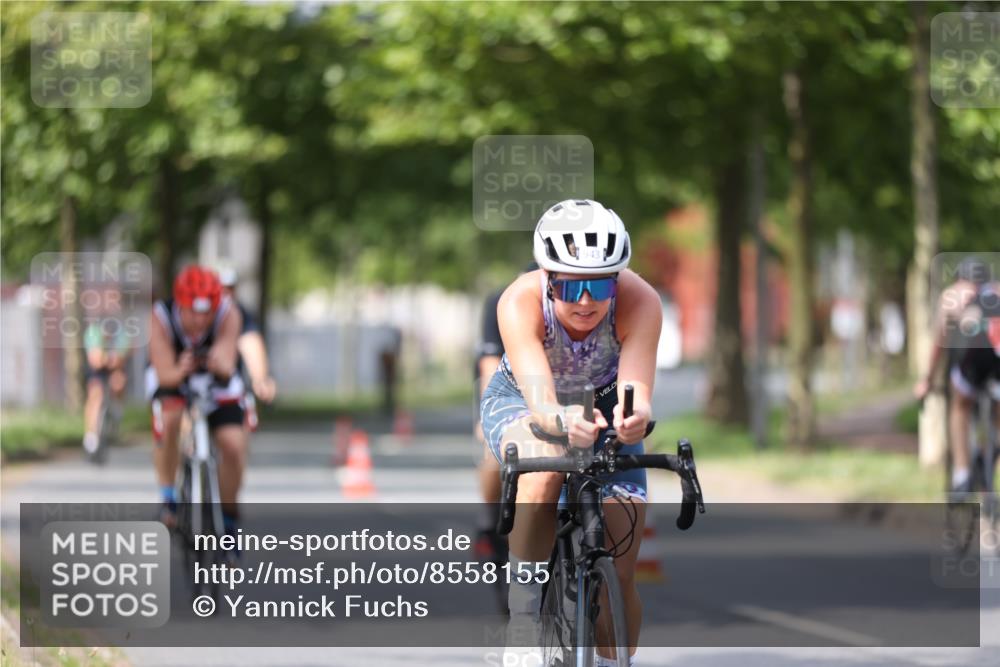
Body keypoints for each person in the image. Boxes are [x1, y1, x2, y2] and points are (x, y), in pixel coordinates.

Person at [480, 199, 662, 666]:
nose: (585, 300)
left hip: (601, 405)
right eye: (571, 285)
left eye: (600, 284)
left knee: (622, 564)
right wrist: (560, 422)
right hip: (523, 398)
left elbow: (635, 388)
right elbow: (541, 401)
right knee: (544, 471)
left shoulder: (641, 300)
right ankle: (523, 619)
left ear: (617, 279)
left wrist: (633, 418)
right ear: (548, 278)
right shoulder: (519, 300)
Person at [147, 266, 247, 533]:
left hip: (215, 383)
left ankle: (228, 518)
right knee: (169, 419)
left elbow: (228, 360)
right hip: (174, 377)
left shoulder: (229, 313)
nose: (201, 321)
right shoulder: (160, 317)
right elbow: (165, 374)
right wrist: (181, 369)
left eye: (207, 313)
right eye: (194, 312)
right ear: (181, 304)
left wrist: (218, 362)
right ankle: (169, 498)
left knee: (233, 445)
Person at [473, 262, 536, 565]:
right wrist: (484, 419)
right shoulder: (501, 302)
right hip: (508, 385)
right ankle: (489, 518)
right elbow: (489, 362)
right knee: (492, 454)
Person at [914, 257, 994, 493]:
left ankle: (962, 472)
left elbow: (940, 341)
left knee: (959, 407)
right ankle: (986, 455)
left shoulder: (952, 295)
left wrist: (927, 379)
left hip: (970, 364)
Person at [218, 267, 277, 404]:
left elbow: (250, 342)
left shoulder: (241, 314)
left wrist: (260, 378)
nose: (226, 293)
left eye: (230, 288)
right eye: (221, 288)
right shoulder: (198, 314)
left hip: (227, 388)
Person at [82, 300, 132, 457]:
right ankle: (91, 435)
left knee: (119, 382)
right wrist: (107, 359)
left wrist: (110, 360)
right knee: (95, 394)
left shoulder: (121, 333)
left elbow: (121, 357)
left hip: (115, 368)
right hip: (97, 370)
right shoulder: (93, 332)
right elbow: (95, 361)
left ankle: (116, 408)